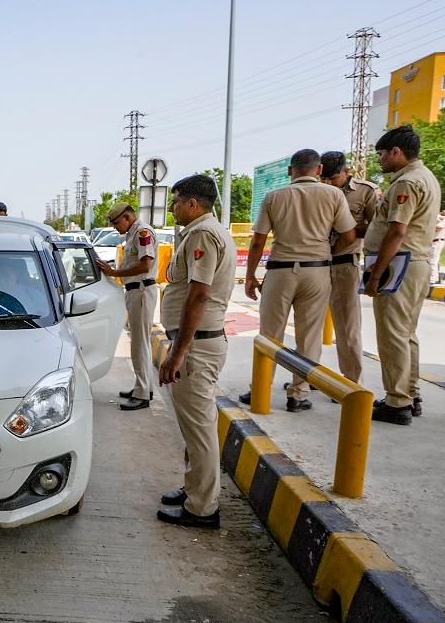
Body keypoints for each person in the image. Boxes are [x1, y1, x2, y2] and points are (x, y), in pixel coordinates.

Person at [240, 149, 356, 412]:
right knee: (309, 336)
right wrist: (325, 254)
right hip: (317, 271)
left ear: (290, 171)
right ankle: (299, 394)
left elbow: (258, 240)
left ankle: (260, 389)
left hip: (280, 271)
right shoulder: (334, 195)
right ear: (319, 169)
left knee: (270, 334)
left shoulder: (274, 197)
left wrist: (250, 276)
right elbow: (349, 236)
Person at [156, 175, 235, 529]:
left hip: (198, 344)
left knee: (200, 430)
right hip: (198, 342)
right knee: (194, 428)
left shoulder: (203, 234)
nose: (172, 209)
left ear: (191, 203)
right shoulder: (201, 232)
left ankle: (202, 508)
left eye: (175, 202)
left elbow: (199, 294)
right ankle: (195, 490)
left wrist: (178, 352)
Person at [364, 125, 442, 425]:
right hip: (416, 264)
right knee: (406, 333)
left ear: (397, 152)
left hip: (400, 265)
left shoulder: (406, 183)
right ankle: (410, 393)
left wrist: (375, 276)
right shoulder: (427, 177)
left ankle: (397, 402)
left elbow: (397, 232)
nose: (380, 160)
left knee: (392, 334)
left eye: (382, 154)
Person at [320, 152, 379, 384]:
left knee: (347, 328)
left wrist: (351, 231)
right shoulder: (315, 189)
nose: (328, 183)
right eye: (324, 178)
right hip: (315, 264)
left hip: (344, 263)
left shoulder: (366, 191)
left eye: (333, 178)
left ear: (346, 172)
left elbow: (378, 228)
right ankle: (304, 377)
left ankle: (352, 382)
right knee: (309, 327)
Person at [95, 202, 158, 410]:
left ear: (127, 218)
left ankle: (142, 394)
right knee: (140, 343)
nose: (115, 228)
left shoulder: (142, 232)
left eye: (116, 223)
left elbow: (145, 264)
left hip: (141, 290)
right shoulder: (133, 234)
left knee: (139, 344)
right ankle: (143, 387)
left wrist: (114, 274)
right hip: (135, 290)